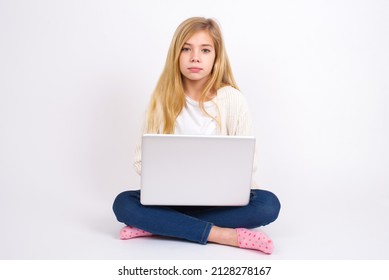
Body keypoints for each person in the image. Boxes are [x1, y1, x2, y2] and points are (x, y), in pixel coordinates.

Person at [113, 17, 280, 254]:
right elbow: (141, 160)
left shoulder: (233, 100)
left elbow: (248, 163)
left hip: (221, 201)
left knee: (268, 205)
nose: (195, 57)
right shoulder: (162, 101)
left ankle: (159, 225)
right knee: (123, 203)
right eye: (186, 49)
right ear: (176, 55)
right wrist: (173, 176)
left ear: (216, 57)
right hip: (170, 198)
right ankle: (222, 235)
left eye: (205, 50)